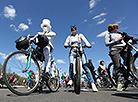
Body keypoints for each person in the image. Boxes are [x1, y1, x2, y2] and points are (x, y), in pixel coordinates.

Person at [64, 25, 98, 92]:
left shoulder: (80, 35)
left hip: (81, 52)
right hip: (73, 52)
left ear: (76, 30)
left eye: (74, 30)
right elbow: (65, 43)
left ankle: (92, 83)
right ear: (71, 31)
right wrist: (66, 45)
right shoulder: (69, 37)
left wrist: (88, 44)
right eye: (72, 30)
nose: (73, 31)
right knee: (71, 64)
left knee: (85, 66)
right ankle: (70, 79)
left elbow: (86, 41)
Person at [105, 23, 127, 91]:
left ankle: (129, 73)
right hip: (115, 49)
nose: (118, 28)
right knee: (117, 66)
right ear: (112, 28)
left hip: (124, 48)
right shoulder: (108, 35)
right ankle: (119, 83)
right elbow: (106, 43)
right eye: (116, 27)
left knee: (129, 62)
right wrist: (116, 41)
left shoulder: (120, 34)